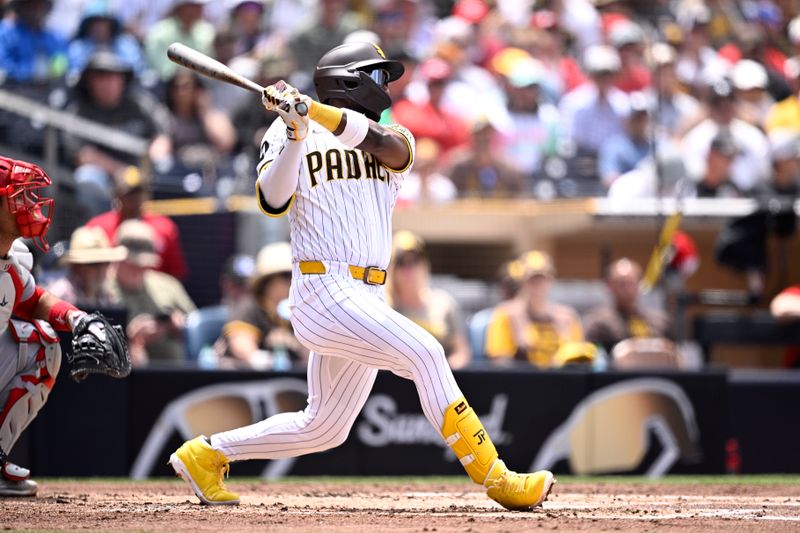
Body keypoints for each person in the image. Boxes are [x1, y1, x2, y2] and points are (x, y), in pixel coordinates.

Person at [169, 41, 554, 511]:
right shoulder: (292, 129)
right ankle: (497, 476)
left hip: (367, 294)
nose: (385, 86)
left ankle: (207, 454)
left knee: (325, 427)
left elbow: (379, 145)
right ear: (347, 80)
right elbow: (271, 200)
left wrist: (312, 111)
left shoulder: (394, 137)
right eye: (376, 76)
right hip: (321, 289)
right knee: (427, 352)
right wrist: (294, 130)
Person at [0, 156, 126, 496]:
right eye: (18, 196)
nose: (29, 205)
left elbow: (34, 299)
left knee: (43, 342)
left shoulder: (10, 260)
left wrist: (79, 319)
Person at [62, 50, 171, 217]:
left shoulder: (137, 103)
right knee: (87, 178)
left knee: (166, 164)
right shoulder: (79, 111)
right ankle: (105, 228)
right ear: (90, 82)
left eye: (113, 77)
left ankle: (161, 224)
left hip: (144, 172)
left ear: (122, 80)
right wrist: (123, 171)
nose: (108, 83)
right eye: (101, 77)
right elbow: (83, 156)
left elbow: (162, 131)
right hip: (107, 178)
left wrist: (156, 152)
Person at [484, 250, 591, 368]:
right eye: (532, 280)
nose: (537, 285)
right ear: (521, 281)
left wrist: (566, 339)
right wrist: (521, 348)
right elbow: (499, 360)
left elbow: (579, 361)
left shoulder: (567, 316)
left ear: (551, 280)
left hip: (560, 380)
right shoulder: (505, 314)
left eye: (542, 279)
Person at [110, 219, 195, 367]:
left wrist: (174, 325)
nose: (139, 270)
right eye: (132, 263)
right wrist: (130, 337)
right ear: (116, 256)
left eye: (144, 265)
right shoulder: (100, 291)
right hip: (123, 377)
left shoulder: (168, 286)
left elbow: (197, 326)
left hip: (174, 372)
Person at [86, 166, 188, 280]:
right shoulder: (98, 227)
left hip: (151, 292)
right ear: (117, 194)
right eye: (130, 193)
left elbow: (175, 273)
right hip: (109, 291)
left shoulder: (164, 227)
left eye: (139, 192)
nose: (135, 198)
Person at [387, 231, 471, 369]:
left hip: (438, 378)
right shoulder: (386, 307)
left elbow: (462, 352)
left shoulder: (443, 303)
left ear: (424, 264)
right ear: (392, 270)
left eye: (414, 261)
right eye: (402, 263)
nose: (410, 269)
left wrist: (446, 369)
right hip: (398, 381)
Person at [221, 242, 307, 370]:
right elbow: (241, 346)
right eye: (286, 275)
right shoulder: (249, 306)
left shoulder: (300, 310)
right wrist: (269, 358)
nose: (293, 280)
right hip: (249, 383)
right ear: (267, 281)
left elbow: (312, 357)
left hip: (293, 384)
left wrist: (295, 345)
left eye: (296, 275)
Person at [584, 258, 670, 356]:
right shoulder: (598, 323)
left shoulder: (659, 321)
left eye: (631, 283)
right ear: (609, 286)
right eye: (622, 284)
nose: (627, 289)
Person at [45, 225, 127, 307]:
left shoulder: (106, 297)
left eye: (106, 263)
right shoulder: (60, 296)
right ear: (76, 267)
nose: (101, 270)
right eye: (94, 264)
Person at [144, 0, 215, 80]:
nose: (199, 9)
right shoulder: (159, 33)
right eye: (193, 6)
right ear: (181, 7)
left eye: (200, 6)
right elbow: (162, 70)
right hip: (167, 86)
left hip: (200, 86)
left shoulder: (207, 31)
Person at [0, 0, 67, 84]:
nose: (36, 10)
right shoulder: (6, 31)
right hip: (10, 88)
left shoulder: (54, 39)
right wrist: (30, 73)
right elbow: (3, 65)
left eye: (40, 5)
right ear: (20, 7)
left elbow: (61, 64)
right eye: (31, 5)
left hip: (42, 91)